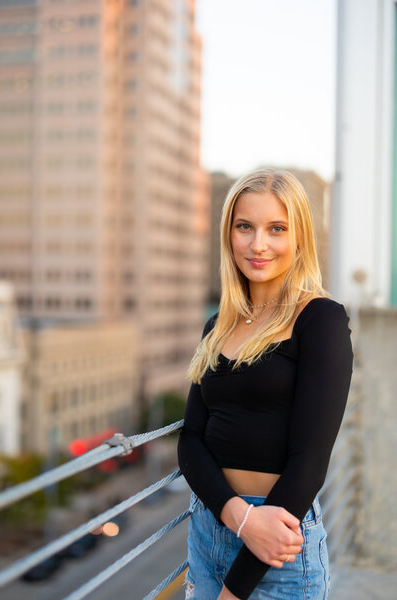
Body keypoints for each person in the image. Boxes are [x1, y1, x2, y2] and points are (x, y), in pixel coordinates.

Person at [177, 168, 354, 600]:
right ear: (229, 234)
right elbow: (190, 441)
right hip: (211, 526)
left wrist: (234, 590)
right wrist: (236, 516)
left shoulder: (320, 319)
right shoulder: (217, 326)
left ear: (299, 238)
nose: (258, 244)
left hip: (279, 544)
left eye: (276, 229)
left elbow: (309, 463)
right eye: (245, 227)